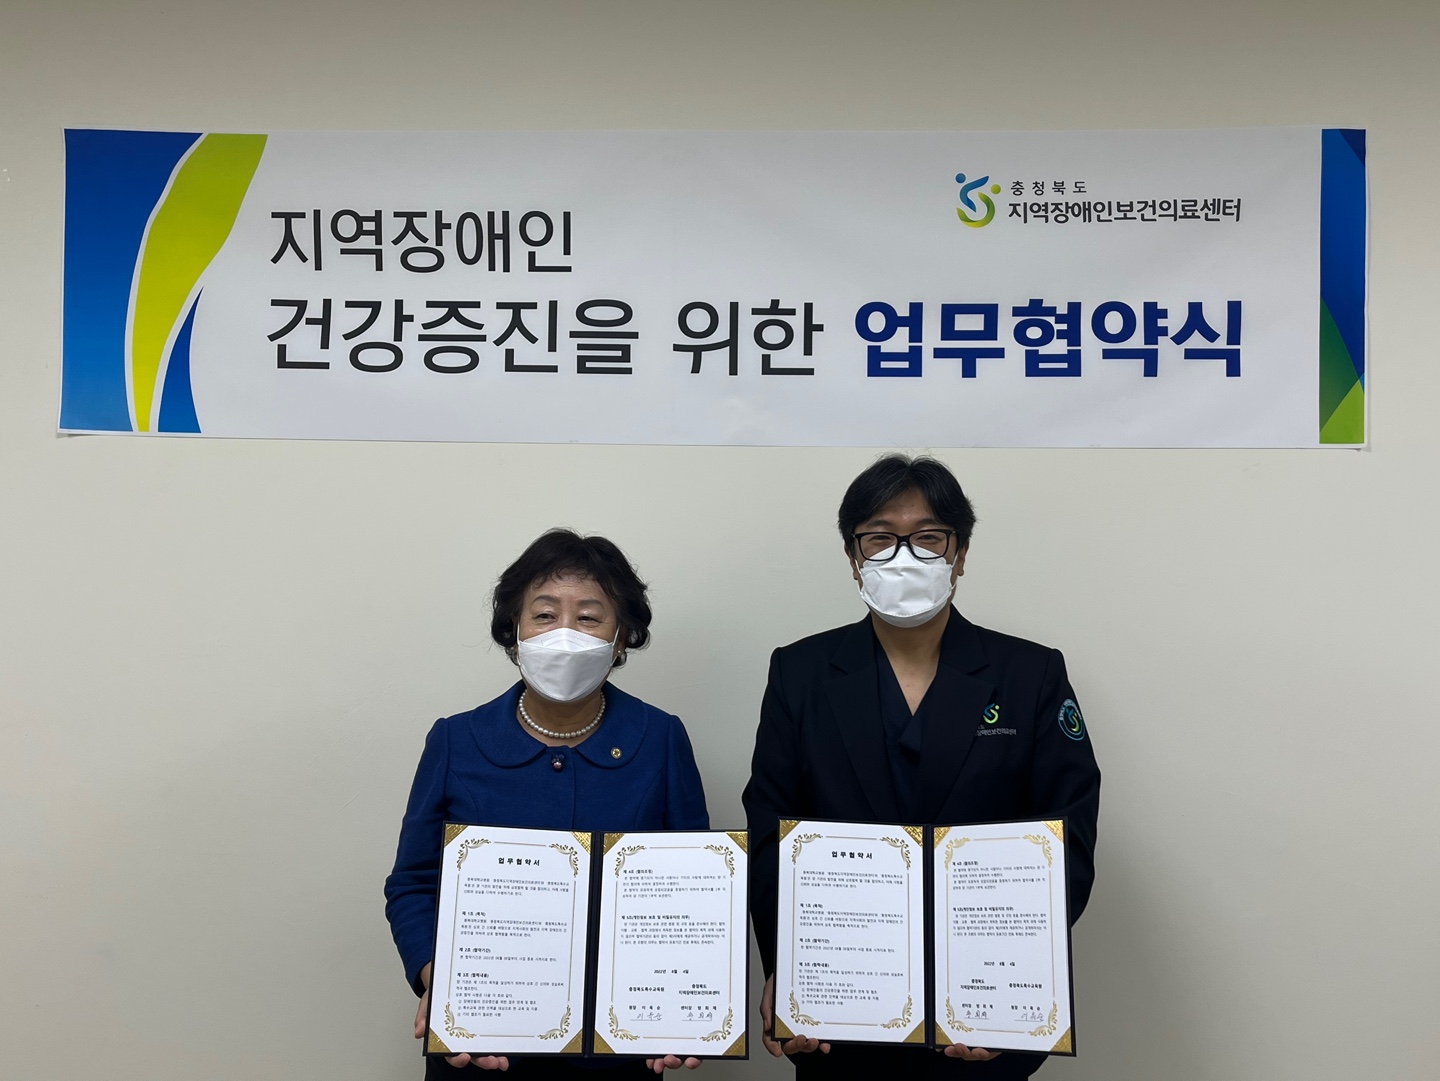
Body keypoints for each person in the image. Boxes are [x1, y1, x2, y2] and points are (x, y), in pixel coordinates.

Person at [743, 455, 1101, 1079]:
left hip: (985, 1013)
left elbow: (1068, 833)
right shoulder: (800, 672)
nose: (904, 556)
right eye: (880, 538)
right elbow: (771, 828)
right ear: (853, 556)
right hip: (839, 1018)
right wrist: (788, 968)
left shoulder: (1031, 674)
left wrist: (1016, 977)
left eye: (929, 537)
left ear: (960, 554)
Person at [385, 529, 710, 1078]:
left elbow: (694, 893)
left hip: (617, 1050)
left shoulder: (661, 738)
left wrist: (678, 1007)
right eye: (543, 615)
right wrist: (438, 978)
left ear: (621, 638)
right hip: (482, 1044)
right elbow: (414, 883)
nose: (564, 634)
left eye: (588, 617)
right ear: (514, 632)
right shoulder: (455, 740)